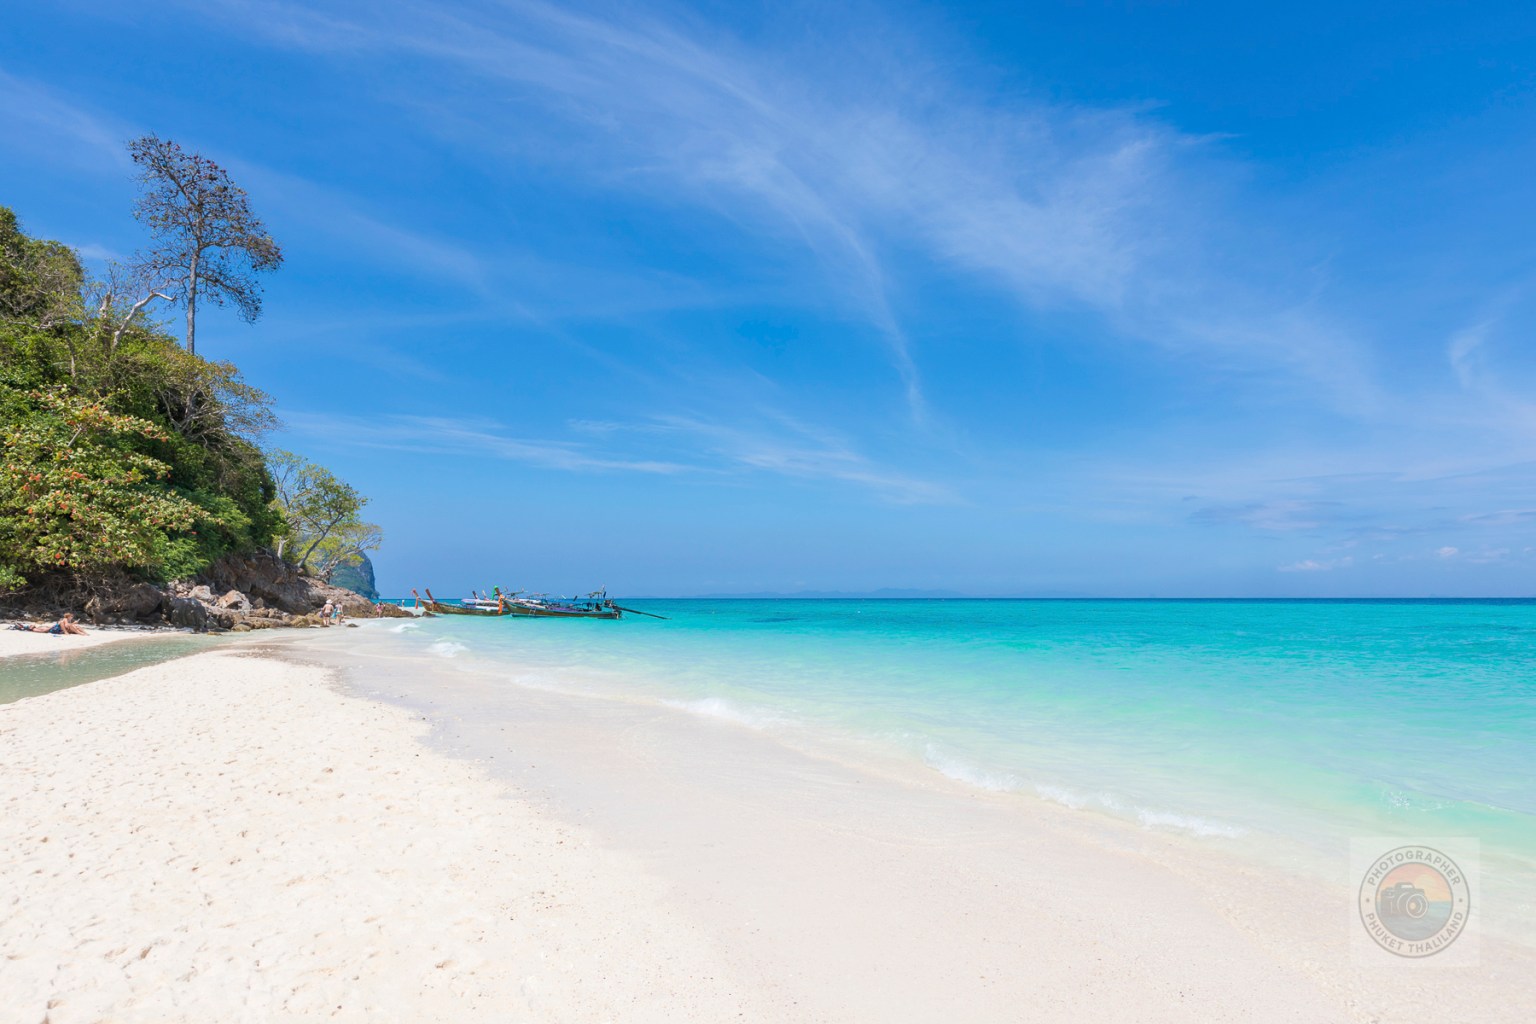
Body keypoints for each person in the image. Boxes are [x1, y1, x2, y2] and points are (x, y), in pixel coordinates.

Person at [9, 612, 88, 636]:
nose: (72, 617)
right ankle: (80, 633)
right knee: (42, 630)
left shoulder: (68, 621)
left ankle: (84, 633)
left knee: (76, 625)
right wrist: (70, 627)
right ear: (68, 616)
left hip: (59, 629)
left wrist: (73, 623)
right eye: (71, 616)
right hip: (57, 628)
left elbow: (68, 625)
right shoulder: (64, 619)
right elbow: (66, 625)